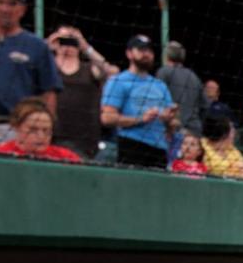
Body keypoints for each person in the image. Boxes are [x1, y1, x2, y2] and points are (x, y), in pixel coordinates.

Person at [0, 0, 60, 151]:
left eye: (12, 3)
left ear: (23, 9)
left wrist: (45, 132)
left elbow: (49, 92)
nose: (5, 8)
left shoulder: (37, 46)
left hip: (15, 129)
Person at [100, 34, 176, 167]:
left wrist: (169, 119)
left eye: (149, 50)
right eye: (141, 50)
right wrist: (141, 119)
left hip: (159, 149)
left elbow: (174, 123)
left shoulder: (160, 85)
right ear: (129, 53)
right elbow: (107, 118)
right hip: (131, 145)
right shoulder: (118, 81)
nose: (146, 53)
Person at [46, 25, 115, 159]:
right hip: (53, 136)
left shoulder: (89, 69)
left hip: (85, 139)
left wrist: (85, 46)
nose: (67, 45)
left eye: (71, 40)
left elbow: (110, 72)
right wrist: (47, 45)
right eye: (63, 40)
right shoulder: (48, 68)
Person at [0, 96, 79, 162]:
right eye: (33, 130)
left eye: (46, 130)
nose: (41, 136)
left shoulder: (66, 158)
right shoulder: (0, 155)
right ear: (16, 127)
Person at [157, 40, 204, 136]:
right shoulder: (194, 76)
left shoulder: (164, 72)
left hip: (174, 130)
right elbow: (205, 105)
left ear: (166, 56)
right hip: (194, 131)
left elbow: (157, 100)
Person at [201, 114, 243, 178]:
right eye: (232, 128)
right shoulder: (202, 147)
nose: (234, 131)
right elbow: (214, 172)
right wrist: (233, 171)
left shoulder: (231, 148)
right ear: (224, 134)